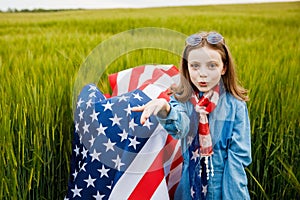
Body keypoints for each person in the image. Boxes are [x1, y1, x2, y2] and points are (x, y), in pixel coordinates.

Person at [132, 31, 252, 200]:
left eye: (212, 66)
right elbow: (180, 126)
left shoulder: (236, 106)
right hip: (189, 187)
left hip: (223, 187)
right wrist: (165, 107)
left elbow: (238, 157)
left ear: (223, 67)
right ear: (187, 68)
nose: (203, 74)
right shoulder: (183, 100)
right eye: (195, 66)